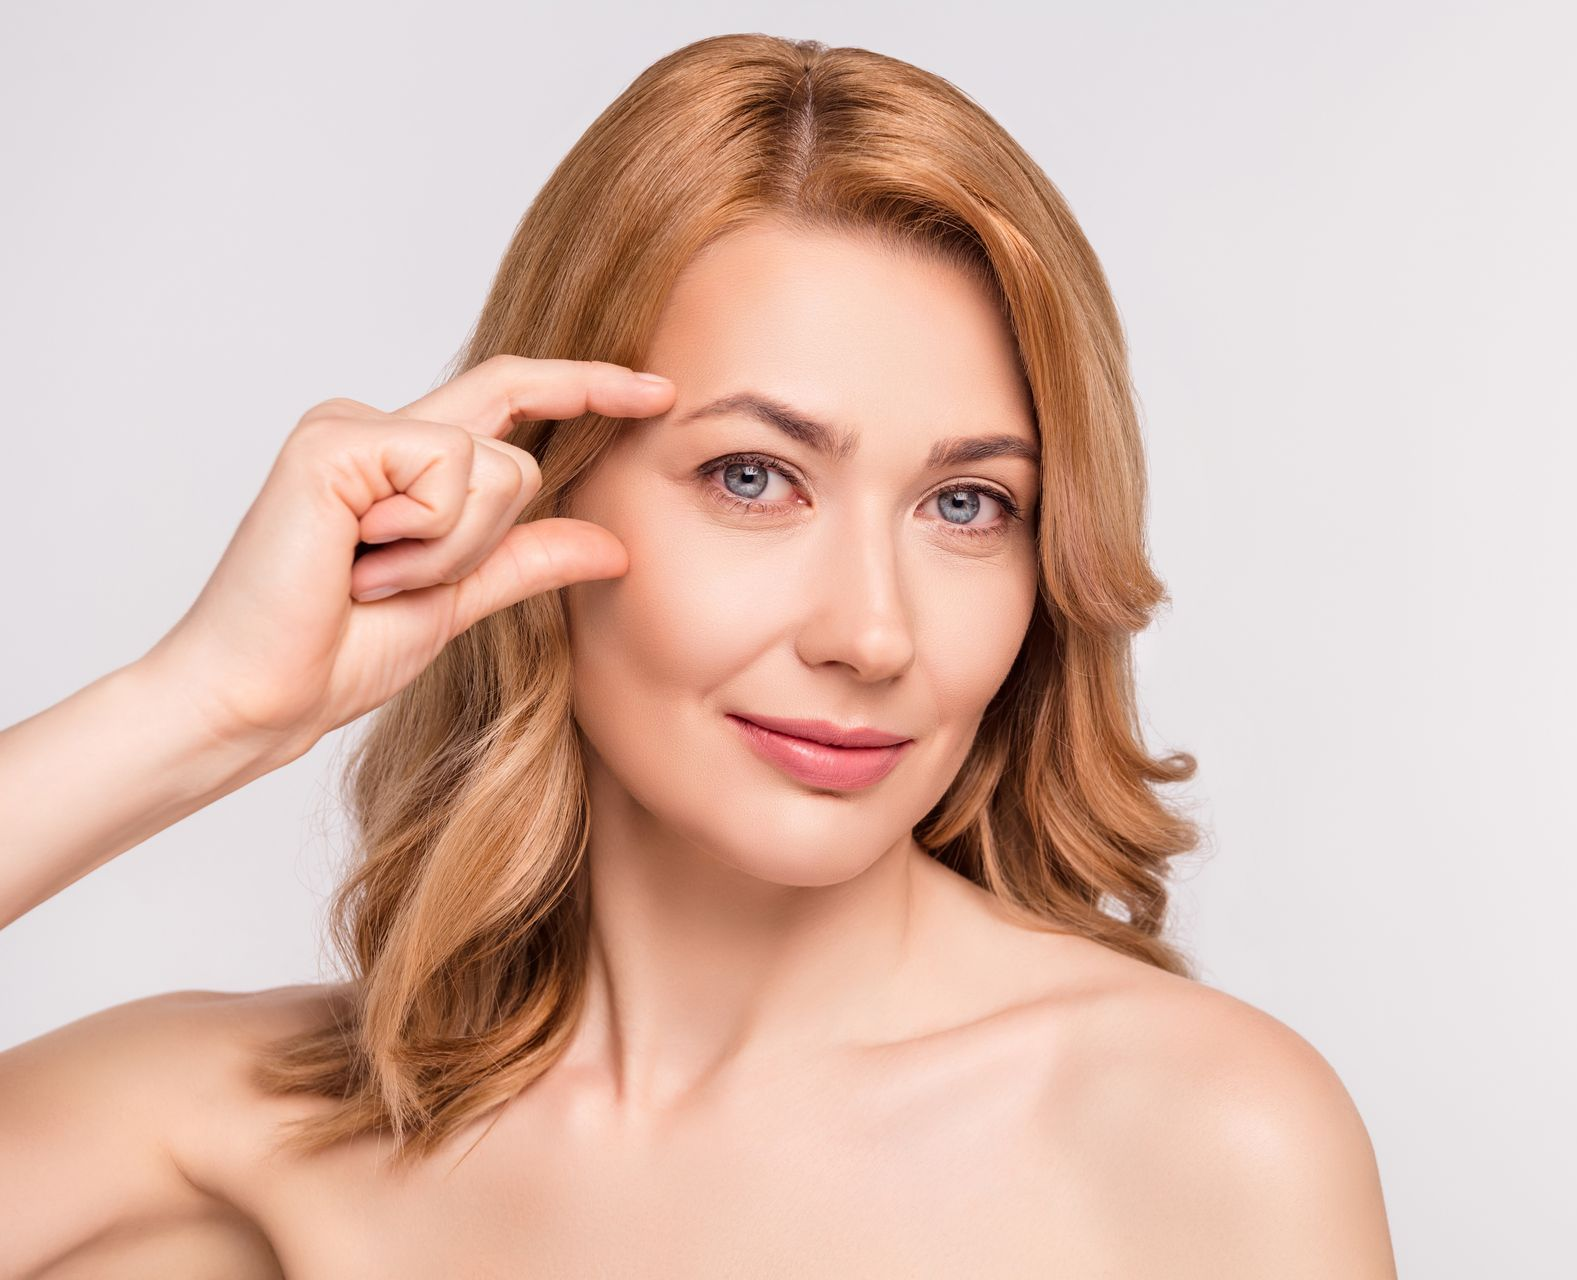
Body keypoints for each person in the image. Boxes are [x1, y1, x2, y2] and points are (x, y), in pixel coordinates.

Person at [0, 32, 1397, 1278]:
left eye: (968, 505)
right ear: (540, 490)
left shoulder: (1199, 1138)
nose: (872, 634)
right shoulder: (226, 1139)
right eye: (752, 477)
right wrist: (205, 710)